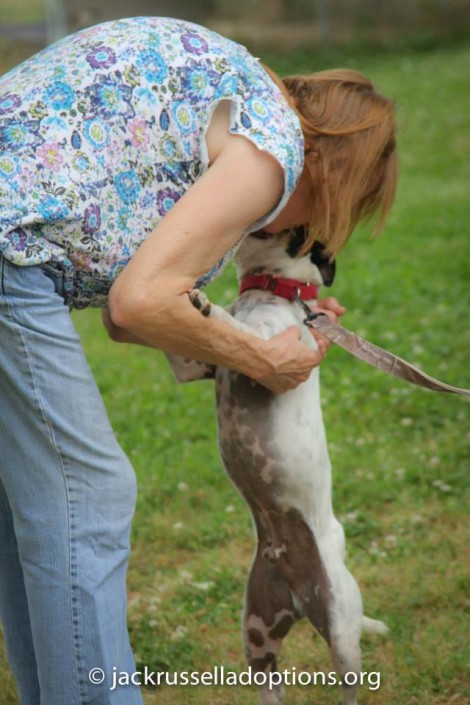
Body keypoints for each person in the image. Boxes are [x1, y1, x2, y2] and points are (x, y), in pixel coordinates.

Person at [0, 16, 397, 705]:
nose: (292, 231)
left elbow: (144, 311)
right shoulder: (273, 151)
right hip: (9, 253)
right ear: (329, 171)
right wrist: (262, 359)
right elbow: (138, 305)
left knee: (33, 505)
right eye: (319, 219)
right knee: (87, 495)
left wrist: (267, 318)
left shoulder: (239, 90)